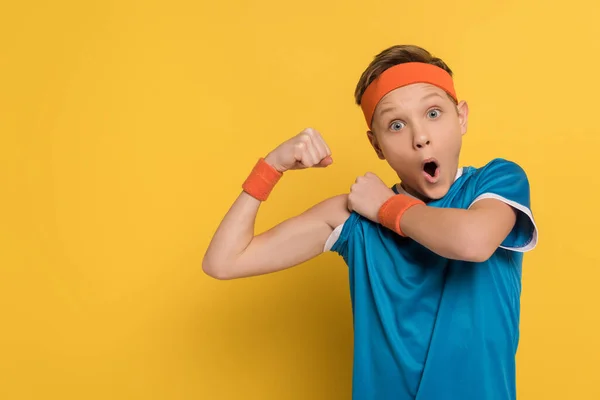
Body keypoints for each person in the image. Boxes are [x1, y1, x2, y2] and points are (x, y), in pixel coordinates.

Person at [202, 44, 538, 400]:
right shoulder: (353, 217)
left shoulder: (496, 183)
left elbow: (472, 242)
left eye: (434, 113)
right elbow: (223, 261)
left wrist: (386, 208)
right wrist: (272, 166)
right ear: (376, 145)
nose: (420, 136)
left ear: (462, 117)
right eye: (396, 124)